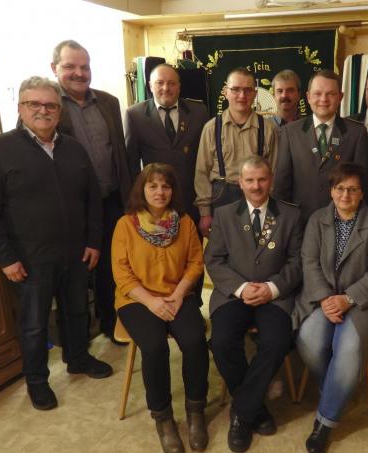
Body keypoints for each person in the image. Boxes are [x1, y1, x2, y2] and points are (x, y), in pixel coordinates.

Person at [0, 76, 112, 411]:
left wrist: (93, 241)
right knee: (34, 325)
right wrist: (6, 258)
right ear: (20, 108)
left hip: (76, 254)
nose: (43, 111)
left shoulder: (73, 148)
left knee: (77, 312)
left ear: (59, 111)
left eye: (50, 105)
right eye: (34, 104)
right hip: (29, 259)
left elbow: (93, 199)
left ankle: (78, 358)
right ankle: (37, 381)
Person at [204, 156, 303, 452]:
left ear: (270, 180)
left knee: (276, 341)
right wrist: (242, 287)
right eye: (250, 180)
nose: (256, 186)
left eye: (262, 179)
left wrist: (272, 288)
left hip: (274, 295)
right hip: (234, 294)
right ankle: (257, 409)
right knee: (221, 342)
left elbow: (297, 262)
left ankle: (242, 413)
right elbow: (214, 259)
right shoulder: (223, 215)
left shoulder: (290, 215)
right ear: (240, 183)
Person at [294, 163, 368, 453]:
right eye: (340, 188)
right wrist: (326, 298)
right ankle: (339, 387)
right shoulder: (317, 220)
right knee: (308, 339)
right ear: (331, 191)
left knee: (348, 345)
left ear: (362, 194)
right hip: (324, 299)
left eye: (352, 189)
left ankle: (325, 422)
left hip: (367, 302)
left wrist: (347, 299)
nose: (345, 195)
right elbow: (308, 262)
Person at [111, 163, 209, 453]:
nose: (160, 191)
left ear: (173, 190)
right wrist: (152, 301)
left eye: (165, 186)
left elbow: (195, 263)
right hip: (137, 299)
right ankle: (163, 418)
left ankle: (195, 411)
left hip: (178, 295)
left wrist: (178, 296)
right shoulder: (125, 225)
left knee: (194, 341)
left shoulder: (186, 222)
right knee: (154, 347)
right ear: (142, 189)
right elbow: (121, 273)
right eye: (153, 185)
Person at [50, 39, 134, 344]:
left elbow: (121, 155)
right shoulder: (48, 105)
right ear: (54, 68)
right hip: (73, 208)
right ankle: (77, 341)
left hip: (111, 200)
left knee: (112, 267)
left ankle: (112, 323)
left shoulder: (109, 102)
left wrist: (129, 201)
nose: (79, 73)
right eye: (70, 66)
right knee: (76, 272)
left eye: (84, 66)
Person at [273, 69, 368, 224]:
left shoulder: (356, 133)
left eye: (331, 94)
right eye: (318, 93)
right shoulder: (290, 132)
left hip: (343, 222)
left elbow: (364, 185)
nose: (323, 99)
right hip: (300, 222)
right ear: (308, 97)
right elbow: (281, 186)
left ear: (340, 97)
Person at [194, 67, 279, 237]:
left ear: (255, 94)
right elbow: (202, 172)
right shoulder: (211, 128)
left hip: (259, 197)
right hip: (221, 197)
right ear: (226, 92)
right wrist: (204, 213)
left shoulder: (269, 128)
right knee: (225, 253)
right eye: (235, 89)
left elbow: (275, 171)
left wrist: (270, 208)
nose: (242, 95)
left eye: (247, 90)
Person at [125, 63, 210, 228]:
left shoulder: (199, 112)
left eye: (172, 83)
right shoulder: (134, 115)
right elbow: (131, 165)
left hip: (191, 201)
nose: (166, 88)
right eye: (160, 83)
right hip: (155, 203)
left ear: (179, 86)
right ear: (150, 85)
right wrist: (138, 203)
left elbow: (207, 159)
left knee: (191, 250)